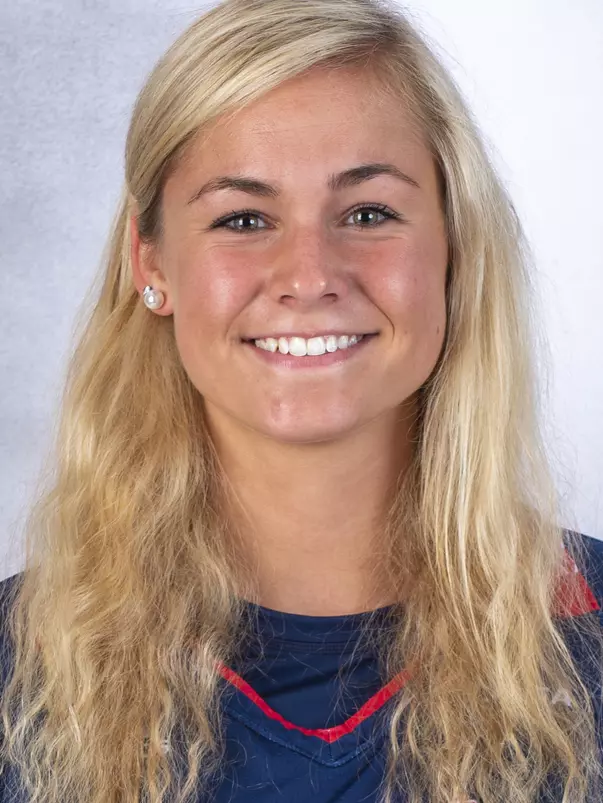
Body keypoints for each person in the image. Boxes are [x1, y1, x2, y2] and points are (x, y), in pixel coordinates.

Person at [0, 0, 601, 801]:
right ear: (151, 265)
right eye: (243, 217)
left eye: (367, 213)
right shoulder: (20, 664)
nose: (310, 274)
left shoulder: (584, 636)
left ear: (453, 248)